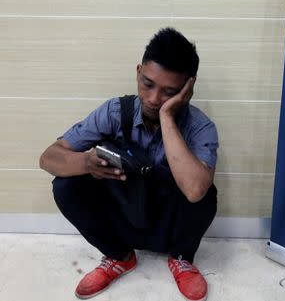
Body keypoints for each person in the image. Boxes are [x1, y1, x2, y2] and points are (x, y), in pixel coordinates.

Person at [39, 27, 218, 301]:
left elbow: (195, 191)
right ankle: (118, 256)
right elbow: (48, 157)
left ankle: (181, 258)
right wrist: (86, 162)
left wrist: (167, 118)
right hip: (124, 216)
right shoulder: (113, 112)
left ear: (186, 89)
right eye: (147, 84)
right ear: (138, 72)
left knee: (206, 193)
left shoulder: (200, 127)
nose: (154, 99)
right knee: (65, 186)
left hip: (169, 227)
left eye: (169, 92)